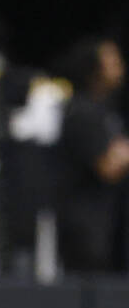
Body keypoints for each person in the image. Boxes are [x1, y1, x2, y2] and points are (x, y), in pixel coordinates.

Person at [54, 37, 129, 272]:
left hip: (109, 223)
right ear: (94, 70)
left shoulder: (106, 111)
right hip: (85, 229)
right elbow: (108, 167)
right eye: (113, 63)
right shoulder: (82, 113)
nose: (120, 68)